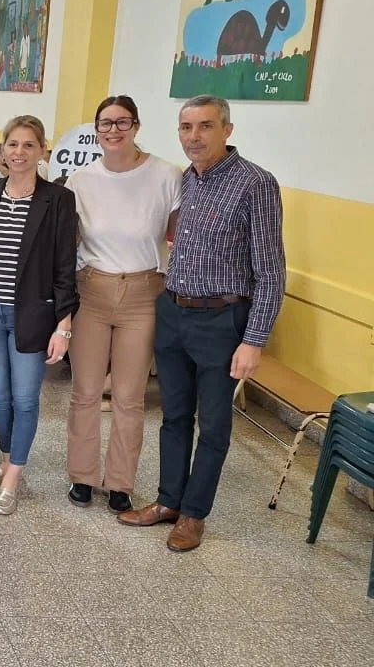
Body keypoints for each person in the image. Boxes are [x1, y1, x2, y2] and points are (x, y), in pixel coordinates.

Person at [118, 95, 285, 552]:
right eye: (186, 127)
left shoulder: (256, 184)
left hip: (222, 320)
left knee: (212, 425)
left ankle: (193, 514)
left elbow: (271, 272)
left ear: (227, 130)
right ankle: (168, 501)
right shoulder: (186, 179)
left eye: (205, 126)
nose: (194, 136)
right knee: (173, 416)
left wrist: (254, 340)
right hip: (174, 311)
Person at [65, 96, 182, 515]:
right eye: (105, 123)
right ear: (96, 129)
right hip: (91, 290)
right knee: (85, 391)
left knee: (130, 396)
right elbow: (71, 240)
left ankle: (120, 483)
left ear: (136, 126)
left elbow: (177, 235)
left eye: (122, 122)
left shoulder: (167, 174)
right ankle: (81, 476)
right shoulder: (81, 180)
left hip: (143, 293)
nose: (113, 130)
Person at [0, 115, 78, 515]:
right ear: (1, 150)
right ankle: (6, 460)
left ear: (41, 150)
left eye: (28, 145)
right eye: (12, 144)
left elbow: (65, 265)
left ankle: (15, 474)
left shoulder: (58, 199)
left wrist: (64, 325)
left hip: (33, 315)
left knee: (25, 398)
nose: (19, 152)